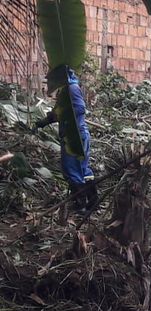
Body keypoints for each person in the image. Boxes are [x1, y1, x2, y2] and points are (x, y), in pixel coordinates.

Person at [35, 67, 97, 214]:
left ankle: (80, 204)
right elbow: (57, 113)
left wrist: (65, 115)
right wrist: (43, 122)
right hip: (77, 135)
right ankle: (92, 201)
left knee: (72, 169)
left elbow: (80, 109)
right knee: (82, 169)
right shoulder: (65, 90)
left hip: (74, 135)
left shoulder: (71, 89)